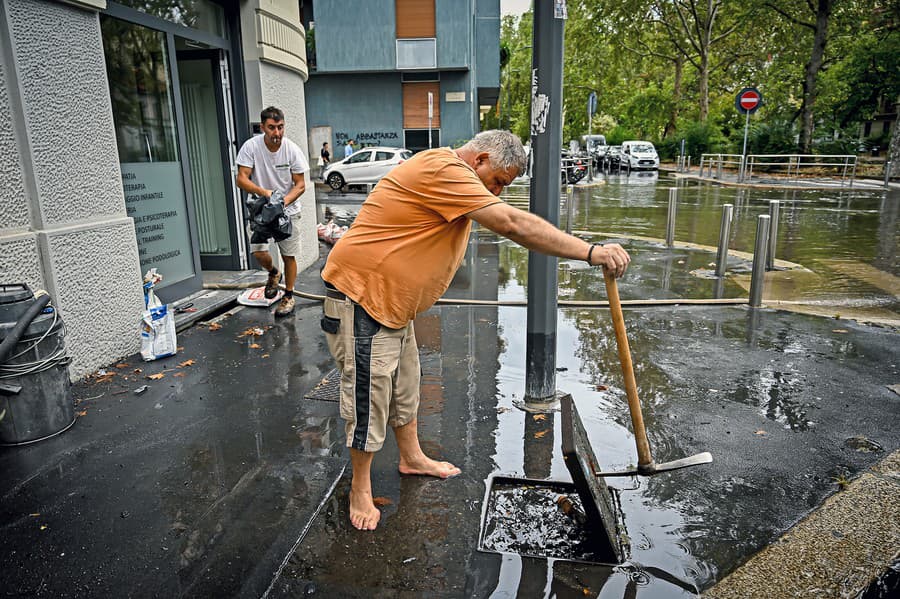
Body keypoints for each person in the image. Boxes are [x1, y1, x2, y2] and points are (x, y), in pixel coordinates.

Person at [320, 130, 630, 530]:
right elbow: (511, 223)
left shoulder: (452, 172)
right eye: (499, 181)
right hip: (362, 296)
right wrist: (590, 252)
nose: (498, 192)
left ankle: (411, 456)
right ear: (481, 159)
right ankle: (359, 488)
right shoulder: (444, 169)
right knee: (369, 396)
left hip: (392, 301)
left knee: (405, 385)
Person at [236, 106, 308, 317]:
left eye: (280, 127)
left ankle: (288, 295)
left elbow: (301, 184)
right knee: (258, 251)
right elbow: (241, 178)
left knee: (289, 255)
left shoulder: (292, 149)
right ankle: (273, 273)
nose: (277, 133)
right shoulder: (251, 147)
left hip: (288, 210)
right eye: (272, 128)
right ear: (262, 127)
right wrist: (265, 193)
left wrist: (282, 202)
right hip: (261, 208)